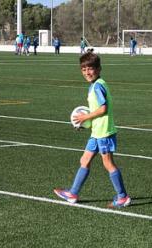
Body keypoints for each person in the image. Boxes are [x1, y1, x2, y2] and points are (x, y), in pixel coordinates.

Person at [53, 51, 131, 208]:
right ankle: (73, 193)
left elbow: (103, 109)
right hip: (96, 132)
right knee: (85, 160)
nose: (87, 72)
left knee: (108, 163)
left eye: (90, 68)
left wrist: (84, 118)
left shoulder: (97, 87)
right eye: (83, 69)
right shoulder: (95, 85)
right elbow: (95, 110)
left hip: (104, 133)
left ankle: (122, 197)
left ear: (99, 68)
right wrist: (85, 123)